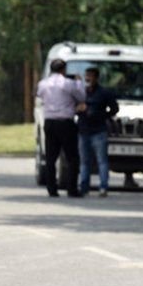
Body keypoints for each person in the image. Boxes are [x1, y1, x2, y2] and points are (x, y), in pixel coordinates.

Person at [37, 59, 86, 197]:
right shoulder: (68, 83)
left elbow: (39, 95)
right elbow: (82, 97)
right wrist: (79, 82)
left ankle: (51, 188)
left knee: (51, 157)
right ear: (63, 70)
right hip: (65, 121)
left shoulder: (43, 84)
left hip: (50, 121)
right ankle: (72, 188)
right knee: (72, 157)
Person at [77, 66, 118, 197]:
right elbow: (72, 106)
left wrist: (102, 115)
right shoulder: (81, 93)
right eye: (86, 76)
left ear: (96, 78)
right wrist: (79, 109)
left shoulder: (104, 93)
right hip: (84, 130)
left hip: (99, 131)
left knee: (102, 160)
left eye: (90, 76)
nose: (87, 79)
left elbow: (114, 109)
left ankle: (103, 187)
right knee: (84, 161)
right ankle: (84, 186)